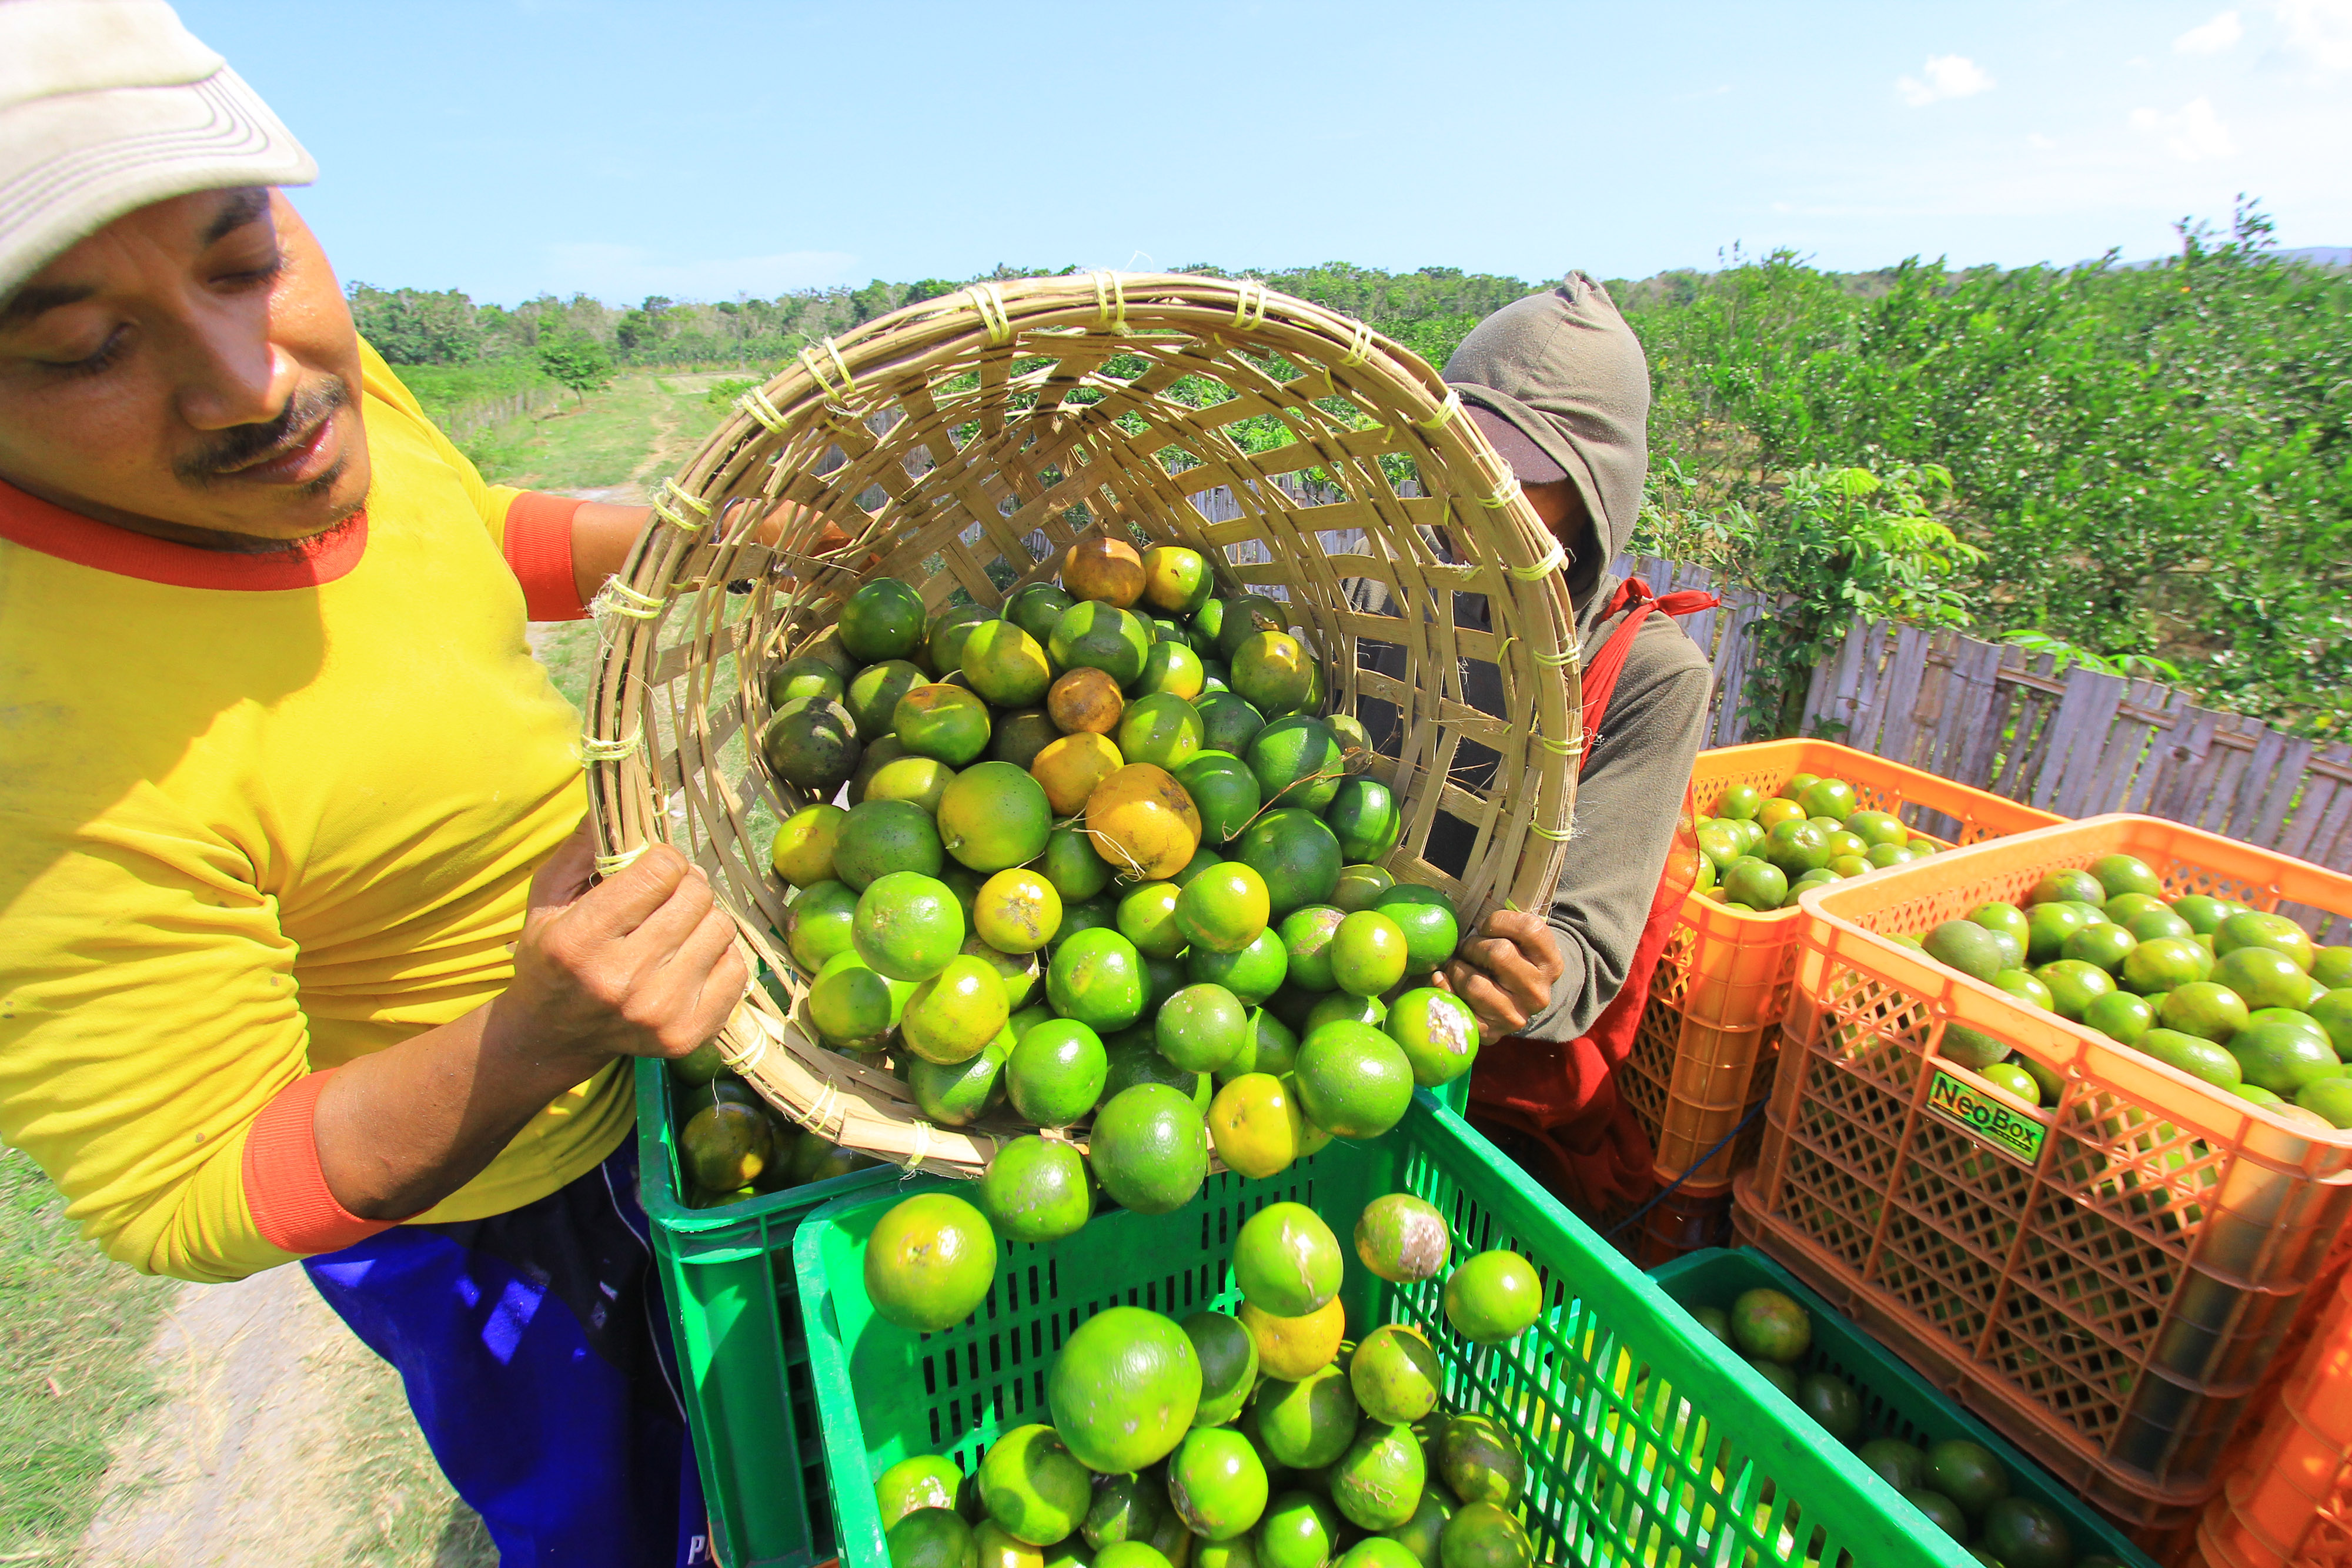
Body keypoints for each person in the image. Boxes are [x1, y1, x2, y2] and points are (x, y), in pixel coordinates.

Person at [0, 4, 737, 1562]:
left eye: (241, 251)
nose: (244, 382)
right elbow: (187, 1183)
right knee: (595, 1510)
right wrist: (533, 1036)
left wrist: (696, 542)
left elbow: (458, 527)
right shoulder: (38, 729)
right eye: (80, 349)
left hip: (641, 1061)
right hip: (485, 1212)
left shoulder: (306, 385)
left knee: (735, 1454)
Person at [1416, 276, 1716, 1213]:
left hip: (1486, 1113)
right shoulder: (1390, 598)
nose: (1492, 496)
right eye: (1475, 456)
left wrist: (1525, 983)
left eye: (1532, 471)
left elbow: (1589, 950)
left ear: (1598, 498)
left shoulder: (1651, 679)